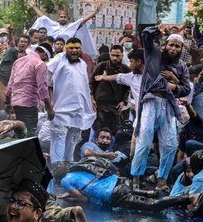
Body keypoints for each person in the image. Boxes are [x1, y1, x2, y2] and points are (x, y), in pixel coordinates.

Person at [130, 26, 191, 191]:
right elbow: (145, 35)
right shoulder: (154, 53)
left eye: (177, 46)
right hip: (151, 101)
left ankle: (162, 181)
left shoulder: (182, 66)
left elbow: (186, 88)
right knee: (144, 140)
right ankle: (136, 178)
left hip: (168, 106)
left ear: (181, 49)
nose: (173, 48)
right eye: (171, 45)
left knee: (170, 145)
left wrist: (174, 83)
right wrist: (158, 32)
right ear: (166, 45)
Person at [58, 163, 198, 210]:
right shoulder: (77, 169)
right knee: (136, 195)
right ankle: (152, 192)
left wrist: (72, 196)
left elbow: (84, 200)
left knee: (151, 206)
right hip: (120, 181)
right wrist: (72, 192)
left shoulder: (65, 180)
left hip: (114, 194)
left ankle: (186, 199)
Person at [47, 37, 96, 168]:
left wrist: (90, 100)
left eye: (77, 48)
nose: (74, 50)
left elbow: (84, 85)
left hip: (79, 106)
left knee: (74, 135)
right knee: (59, 135)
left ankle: (68, 163)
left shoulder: (82, 63)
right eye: (71, 48)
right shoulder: (58, 59)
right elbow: (47, 80)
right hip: (60, 106)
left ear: (80, 49)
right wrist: (49, 101)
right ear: (66, 48)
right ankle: (57, 165)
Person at [4, 43, 54, 137]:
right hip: (29, 104)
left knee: (20, 132)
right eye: (45, 58)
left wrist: (7, 102)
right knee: (28, 134)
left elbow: (10, 85)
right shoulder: (40, 64)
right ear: (44, 54)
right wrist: (49, 108)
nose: (45, 60)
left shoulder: (18, 62)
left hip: (16, 103)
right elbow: (42, 88)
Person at [28, 0, 102, 56]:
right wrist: (34, 7)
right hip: (52, 52)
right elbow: (43, 17)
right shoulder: (53, 25)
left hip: (66, 52)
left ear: (68, 19)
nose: (63, 18)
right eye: (61, 17)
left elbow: (83, 20)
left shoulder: (71, 26)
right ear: (58, 18)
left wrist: (96, 11)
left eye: (64, 17)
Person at [90, 44, 131, 134]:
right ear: (109, 55)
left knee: (115, 131)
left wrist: (123, 101)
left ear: (122, 55)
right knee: (98, 130)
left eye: (117, 56)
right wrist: (92, 98)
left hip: (116, 106)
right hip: (100, 104)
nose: (115, 58)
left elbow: (127, 88)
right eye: (113, 55)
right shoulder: (101, 66)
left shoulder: (125, 69)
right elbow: (92, 82)